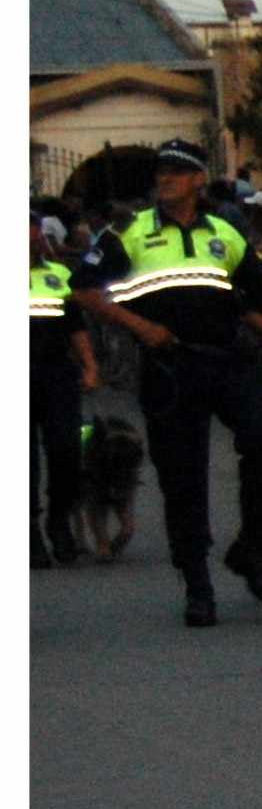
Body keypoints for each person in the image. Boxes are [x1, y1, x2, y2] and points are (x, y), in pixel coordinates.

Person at [75, 139, 262, 622]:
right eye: (161, 171)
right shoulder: (130, 232)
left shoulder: (224, 233)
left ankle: (253, 549)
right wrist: (140, 327)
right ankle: (197, 583)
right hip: (171, 366)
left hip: (228, 360)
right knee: (182, 477)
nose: (165, 178)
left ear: (198, 180)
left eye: (177, 171)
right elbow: (84, 289)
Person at [31, 211, 93, 567]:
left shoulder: (58, 275)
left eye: (32, 228)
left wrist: (90, 365)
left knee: (66, 451)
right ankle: (30, 533)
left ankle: (59, 522)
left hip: (57, 373)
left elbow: (76, 326)